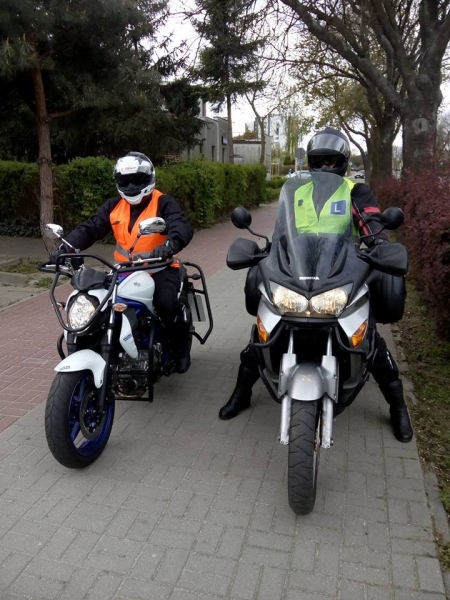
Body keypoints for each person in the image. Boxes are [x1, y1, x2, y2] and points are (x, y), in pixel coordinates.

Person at [218, 128, 413, 443]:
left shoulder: (355, 191)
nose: (324, 167)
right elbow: (282, 232)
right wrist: (269, 253)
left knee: (368, 340)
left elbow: (371, 224)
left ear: (342, 162)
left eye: (331, 161)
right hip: (299, 272)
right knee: (264, 334)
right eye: (319, 161)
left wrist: (379, 244)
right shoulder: (297, 191)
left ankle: (398, 408)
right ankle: (242, 392)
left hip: (341, 273)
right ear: (310, 162)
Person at [50, 151, 194, 374]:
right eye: (125, 181)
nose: (131, 186)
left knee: (165, 303)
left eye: (137, 180)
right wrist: (65, 248)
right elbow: (91, 228)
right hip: (123, 272)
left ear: (149, 179)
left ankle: (180, 348)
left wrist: (171, 244)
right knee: (99, 304)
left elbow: (180, 225)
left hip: (159, 268)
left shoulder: (164, 202)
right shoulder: (114, 206)